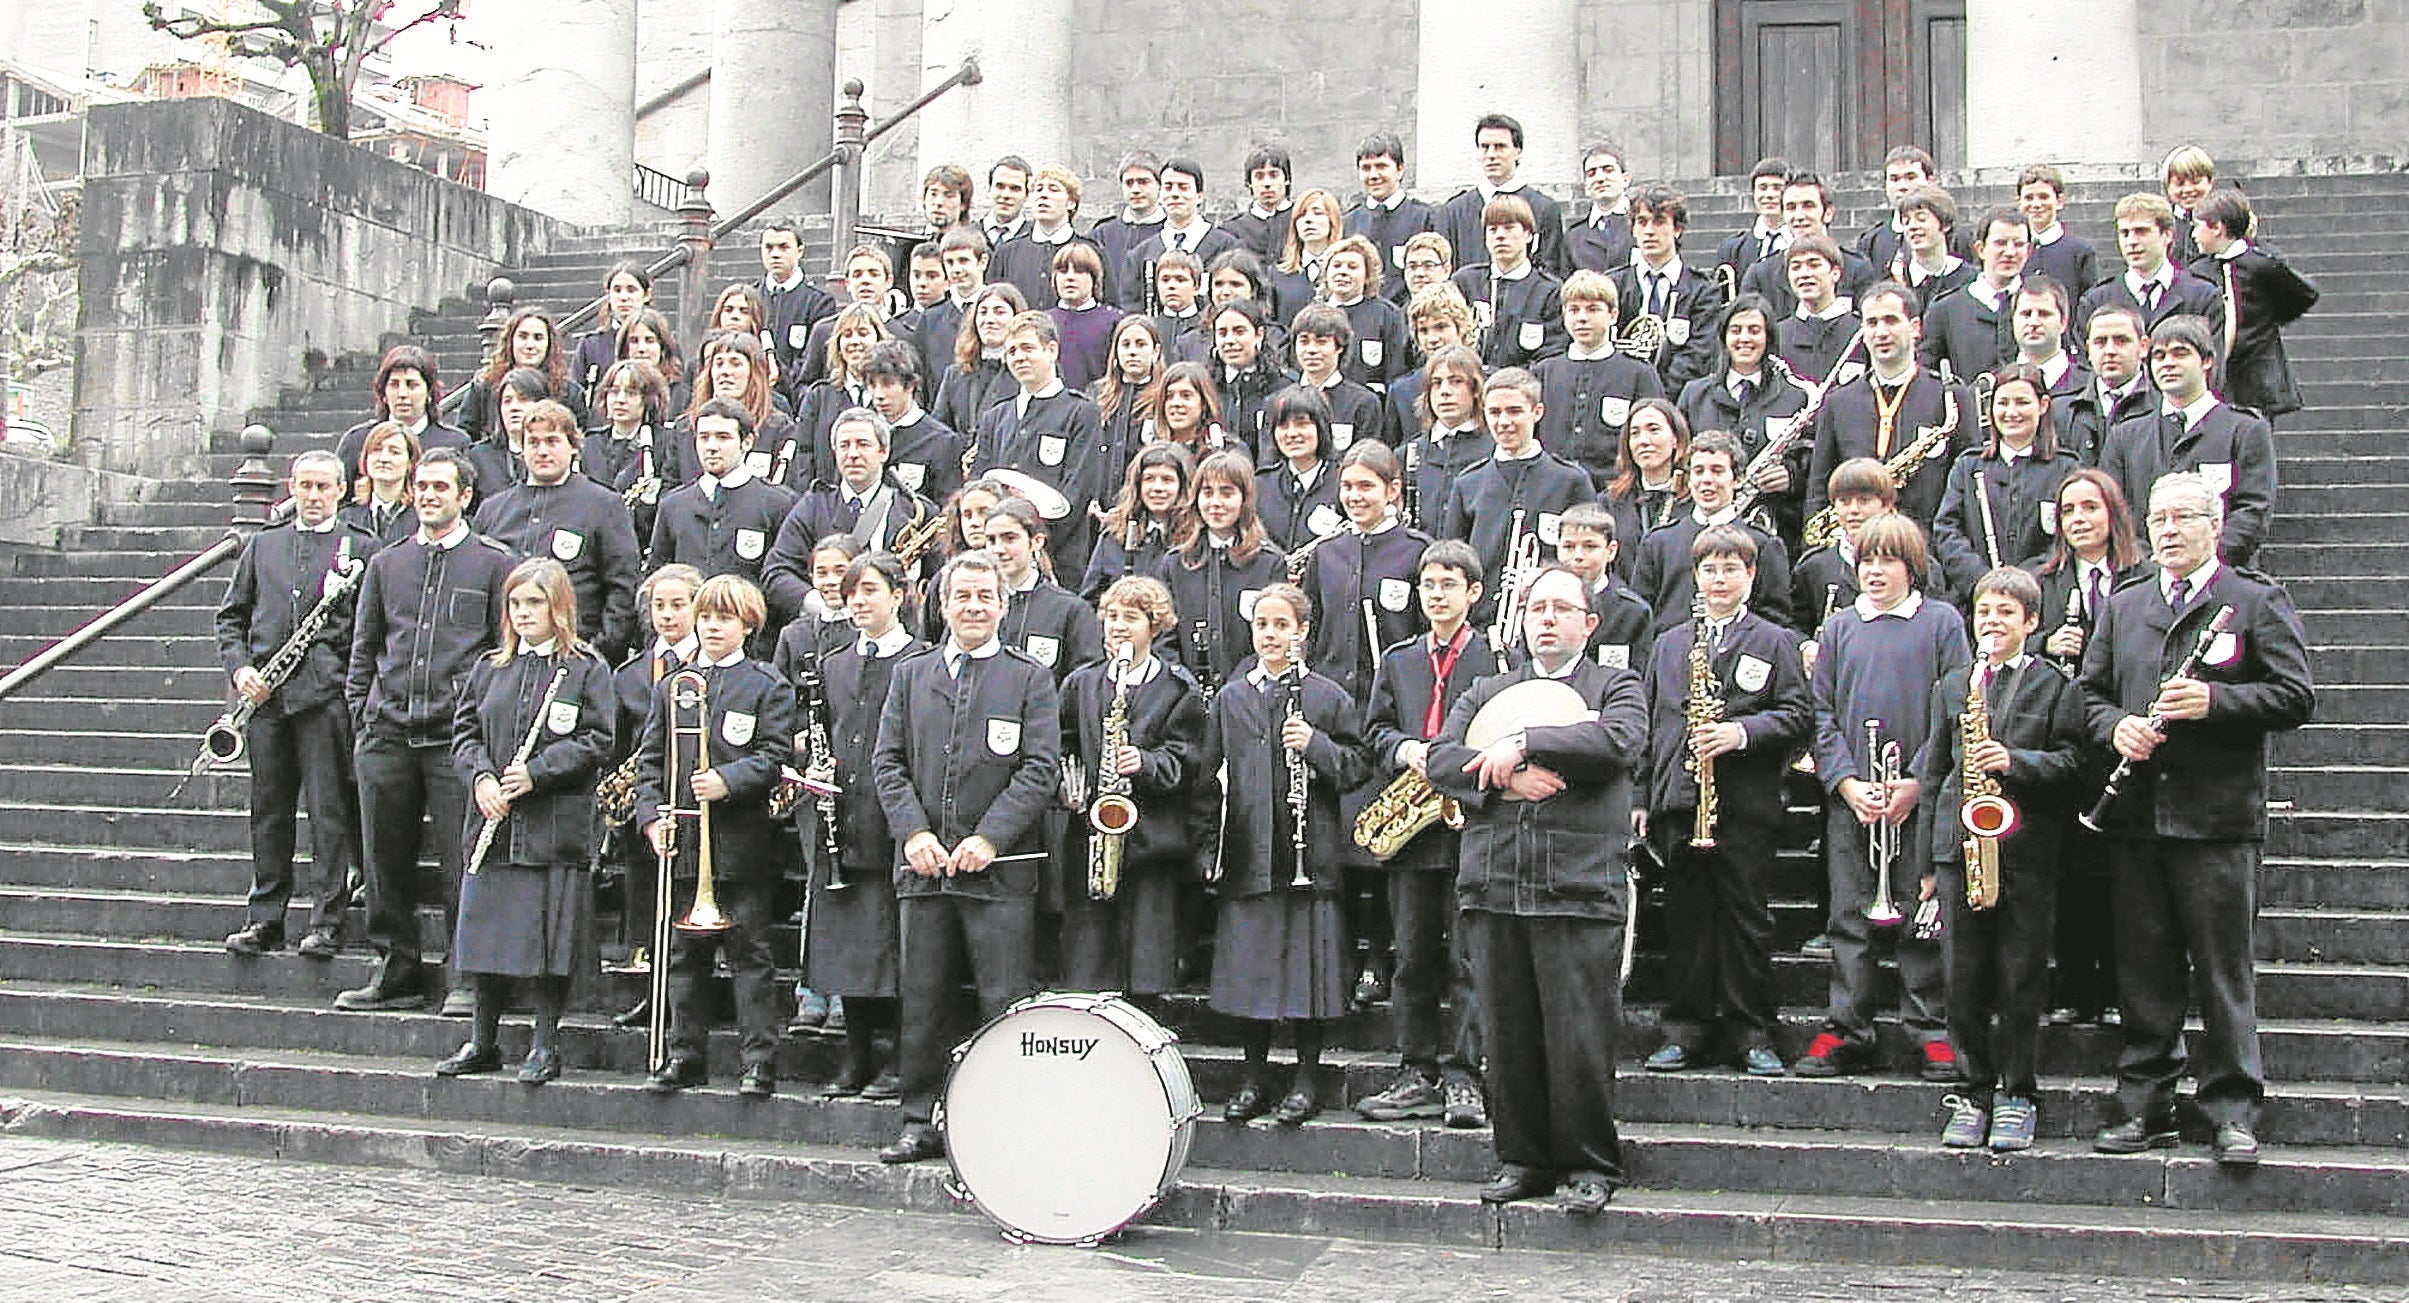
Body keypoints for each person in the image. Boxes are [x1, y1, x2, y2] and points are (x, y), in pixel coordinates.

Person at [2081, 471, 2314, 1167]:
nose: (2168, 529)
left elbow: (2294, 694)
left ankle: (2231, 1108)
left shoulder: (2250, 600)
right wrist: (2116, 726)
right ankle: (2143, 1103)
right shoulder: (2124, 606)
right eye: (2158, 517)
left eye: (2183, 516)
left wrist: (2214, 702)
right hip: (2138, 821)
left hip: (2215, 821)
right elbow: (2085, 695)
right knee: (2144, 971)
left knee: (2221, 971)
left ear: (2213, 524)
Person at [1426, 564, 1647, 1215]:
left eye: (1560, 607)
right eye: (1534, 608)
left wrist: (1521, 742)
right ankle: (1521, 1157)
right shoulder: (1487, 687)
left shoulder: (1616, 684)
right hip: (1494, 885)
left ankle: (1589, 1163)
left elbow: (1618, 739)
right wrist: (1506, 779)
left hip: (1577, 886)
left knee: (1578, 1035)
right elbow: (1443, 758)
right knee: (1508, 1031)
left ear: (1589, 622)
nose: (1545, 618)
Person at [872, 550, 1062, 1163]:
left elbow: (1040, 769)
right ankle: (919, 1118)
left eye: (986, 597)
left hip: (998, 878)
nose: (974, 607)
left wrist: (990, 837)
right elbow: (888, 762)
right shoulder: (911, 674)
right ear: (943, 604)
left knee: (1001, 1003)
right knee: (923, 1000)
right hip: (923, 873)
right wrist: (913, 833)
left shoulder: (1030, 678)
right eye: (963, 597)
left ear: (1003, 606)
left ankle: (1003, 1125)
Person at [338, 448, 517, 1014]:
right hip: (387, 730)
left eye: (442, 487)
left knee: (459, 858)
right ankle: (396, 967)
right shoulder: (387, 564)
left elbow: (502, 651)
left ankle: (466, 973)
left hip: (454, 738)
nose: (429, 495)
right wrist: (362, 712)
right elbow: (364, 647)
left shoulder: (494, 563)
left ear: (466, 496)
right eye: (422, 486)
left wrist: (482, 724)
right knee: (382, 860)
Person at [1795, 512, 1970, 1079]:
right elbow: (1820, 713)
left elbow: (1954, 711)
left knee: (1923, 914)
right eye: (1866, 560)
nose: (1875, 570)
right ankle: (1848, 1026)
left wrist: (1918, 781)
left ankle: (1930, 1027)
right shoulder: (1841, 628)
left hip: (1918, 797)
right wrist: (1845, 781)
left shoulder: (1941, 622)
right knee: (1850, 914)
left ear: (1912, 567)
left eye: (1888, 560)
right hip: (1854, 797)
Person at [1919, 565, 2088, 1150]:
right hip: (1957, 849)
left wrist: (2012, 761)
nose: (1992, 622)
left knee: (2019, 976)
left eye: (2006, 613)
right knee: (1961, 977)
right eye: (1984, 612)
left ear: (2032, 622)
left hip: (2026, 854)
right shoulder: (1953, 684)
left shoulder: (2057, 687)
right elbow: (1934, 771)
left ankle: (2017, 1092)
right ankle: (1972, 1091)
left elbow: (2072, 764)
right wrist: (1925, 864)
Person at [1639, 524, 1811, 1078]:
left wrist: (1740, 733)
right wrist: (1643, 794)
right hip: (1680, 800)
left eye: (1730, 569)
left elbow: (1798, 715)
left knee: (1746, 920)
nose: (1719, 579)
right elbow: (1646, 721)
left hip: (1744, 803)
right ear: (1696, 576)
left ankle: (1751, 1031)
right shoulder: (1669, 643)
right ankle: (1684, 1031)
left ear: (1751, 576)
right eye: (1710, 569)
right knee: (1685, 920)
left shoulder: (1774, 640)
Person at [435, 559, 613, 1085]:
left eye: (534, 603)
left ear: (558, 607)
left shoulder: (584, 669)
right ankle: (481, 1040)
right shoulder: (489, 668)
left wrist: (537, 773)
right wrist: (483, 780)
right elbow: (465, 734)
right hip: (493, 824)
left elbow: (598, 739)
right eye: (515, 604)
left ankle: (544, 1044)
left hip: (552, 828)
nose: (523, 613)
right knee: (486, 937)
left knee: (545, 943)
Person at [1199, 582, 1368, 1126]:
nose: (1270, 635)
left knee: (1305, 978)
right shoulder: (1231, 697)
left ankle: (1305, 1076)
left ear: (1302, 632)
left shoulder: (1325, 696)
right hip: (1249, 853)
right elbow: (1208, 777)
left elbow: (1357, 767)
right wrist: (1209, 851)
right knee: (1251, 975)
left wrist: (1314, 745)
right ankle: (1252, 1077)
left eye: (1281, 626)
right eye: (1262, 626)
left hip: (1309, 859)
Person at [1353, 540, 1498, 1128]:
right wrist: (1405, 748)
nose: (1436, 596)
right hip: (1412, 831)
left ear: (1473, 593)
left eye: (1448, 585)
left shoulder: (1494, 658)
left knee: (1467, 958)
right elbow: (1375, 730)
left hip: (1471, 826)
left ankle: (1465, 1074)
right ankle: (1415, 1069)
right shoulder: (1399, 659)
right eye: (1428, 586)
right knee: (1411, 956)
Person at [634, 574, 796, 1098]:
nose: (711, 627)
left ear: (748, 625)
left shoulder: (766, 684)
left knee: (750, 956)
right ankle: (685, 1054)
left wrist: (728, 779)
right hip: (683, 843)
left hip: (742, 845)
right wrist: (650, 817)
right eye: (705, 617)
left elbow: (774, 756)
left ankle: (758, 1062)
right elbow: (650, 763)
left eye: (723, 619)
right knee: (685, 956)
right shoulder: (673, 686)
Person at [217, 451, 379, 959]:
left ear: (341, 491)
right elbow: (231, 618)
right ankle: (265, 918)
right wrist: (241, 669)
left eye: (323, 487)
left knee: (327, 813)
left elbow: (370, 630)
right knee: (268, 811)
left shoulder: (363, 548)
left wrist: (342, 681)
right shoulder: (264, 546)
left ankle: (327, 922)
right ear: (291, 487)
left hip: (324, 698)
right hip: (266, 698)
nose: (312, 496)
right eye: (305, 486)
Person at [784, 551, 924, 1099]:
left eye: (871, 591)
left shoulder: (919, 661)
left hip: (889, 822)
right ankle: (856, 1056)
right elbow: (820, 729)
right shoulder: (834, 662)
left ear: (898, 595)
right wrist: (811, 760)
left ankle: (895, 1059)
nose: (860, 602)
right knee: (845, 947)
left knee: (890, 950)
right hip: (837, 819)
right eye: (852, 592)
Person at [2026, 469, 2145, 1028]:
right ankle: (2073, 989)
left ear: (2113, 515)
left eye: (2090, 508)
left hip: (2117, 740)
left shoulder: (2140, 581)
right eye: (2069, 510)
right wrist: (2046, 640)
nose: (2078, 520)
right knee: (2068, 872)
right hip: (2060, 740)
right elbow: (2010, 641)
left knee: (2119, 877)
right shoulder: (2041, 580)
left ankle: (2122, 990)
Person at [1057, 575, 1209, 998]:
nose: (1118, 627)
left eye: (1131, 618)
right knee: (1088, 963)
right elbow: (1063, 744)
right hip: (1090, 841)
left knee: (1146, 962)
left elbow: (1189, 759)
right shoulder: (1081, 683)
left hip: (1152, 842)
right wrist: (1068, 784)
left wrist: (1145, 762)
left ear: (1155, 626)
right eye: (1111, 617)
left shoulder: (1178, 690)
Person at [2096, 315, 2276, 568]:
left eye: (2180, 353)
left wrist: (2203, 560)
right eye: (2159, 356)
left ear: (2207, 361)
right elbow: (2115, 511)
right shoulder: (2125, 435)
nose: (2168, 363)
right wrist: (2150, 564)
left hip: (2223, 577)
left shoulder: (2245, 429)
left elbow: (2253, 510)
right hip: (2145, 581)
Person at [603, 564, 701, 1028]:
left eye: (678, 605)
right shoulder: (629, 673)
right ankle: (655, 992)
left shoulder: (708, 665)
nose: (667, 615)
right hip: (648, 798)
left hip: (698, 797)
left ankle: (691, 998)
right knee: (648, 902)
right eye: (658, 606)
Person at [1802, 282, 1980, 536]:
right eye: (1872, 323)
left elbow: (1968, 486)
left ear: (1915, 328)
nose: (1881, 332)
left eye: (1891, 321)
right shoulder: (1838, 403)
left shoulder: (1951, 397)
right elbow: (1818, 490)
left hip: (1929, 547)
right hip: (1854, 549)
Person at [472, 401, 642, 662]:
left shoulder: (604, 505)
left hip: (575, 656)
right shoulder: (493, 510)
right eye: (533, 442)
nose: (542, 451)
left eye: (552, 441)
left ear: (573, 446)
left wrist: (598, 650)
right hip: (504, 659)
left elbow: (622, 587)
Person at [1440, 368, 1595, 632]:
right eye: (1494, 413)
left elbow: (1589, 555)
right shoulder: (1468, 483)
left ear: (1537, 412)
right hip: (1481, 623)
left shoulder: (1571, 481)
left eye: (1514, 411)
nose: (1503, 422)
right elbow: (1454, 561)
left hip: (1550, 622)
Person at [973, 310, 1111, 576]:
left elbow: (1079, 491)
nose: (1019, 357)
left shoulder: (1081, 412)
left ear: (1051, 350)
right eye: (1011, 351)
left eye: (1027, 348)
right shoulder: (995, 416)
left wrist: (1034, 543)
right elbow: (981, 482)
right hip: (1000, 558)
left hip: (1060, 557)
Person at [1929, 363, 2081, 601]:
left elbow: (2066, 538)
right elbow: (1947, 530)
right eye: (2003, 403)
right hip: (1977, 601)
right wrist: (1981, 580)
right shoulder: (1968, 467)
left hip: (2045, 598)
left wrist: (2026, 582)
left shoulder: (2066, 468)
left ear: (2043, 406)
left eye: (2022, 402)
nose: (2011, 412)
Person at [1150, 450, 1288, 702]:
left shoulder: (1270, 563)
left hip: (1249, 697)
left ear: (1245, 499)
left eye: (1227, 493)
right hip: (1185, 698)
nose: (1215, 502)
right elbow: (1162, 635)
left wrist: (1234, 689)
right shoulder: (1175, 563)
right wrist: (1184, 681)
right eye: (1207, 492)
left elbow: (1274, 636)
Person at [1629, 431, 1794, 632]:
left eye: (1717, 471)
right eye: (1698, 471)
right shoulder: (1658, 542)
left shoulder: (1764, 544)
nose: (1707, 480)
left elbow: (1775, 620)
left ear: (1738, 480)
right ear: (1689, 480)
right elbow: (1641, 615)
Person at [1676, 294, 1808, 540]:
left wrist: (1792, 476)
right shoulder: (1694, 395)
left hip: (1774, 527)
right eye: (1736, 330)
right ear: (1724, 337)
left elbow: (1810, 459)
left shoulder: (1795, 397)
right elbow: (1680, 458)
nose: (1744, 338)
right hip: (1704, 527)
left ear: (1768, 337)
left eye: (1754, 330)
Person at [648, 400, 801, 612]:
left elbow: (784, 579)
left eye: (723, 437)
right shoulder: (673, 505)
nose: (711, 446)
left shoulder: (778, 503)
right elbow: (658, 575)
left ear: (747, 442)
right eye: (704, 437)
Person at [2187, 188, 2320, 424]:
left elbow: (2304, 293)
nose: (2193, 234)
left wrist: (2270, 321)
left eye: (2198, 226)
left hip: (2257, 375)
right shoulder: (2198, 272)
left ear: (2217, 228)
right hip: (2217, 373)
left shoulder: (2262, 265)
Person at [1536, 270, 1666, 490]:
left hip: (1615, 491)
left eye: (1593, 309)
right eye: (1574, 310)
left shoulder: (1638, 374)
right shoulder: (1544, 372)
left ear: (1613, 315)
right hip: (1552, 490)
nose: (1582, 318)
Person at [1435, 113, 1568, 278]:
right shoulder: (1452, 212)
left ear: (1517, 151)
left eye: (1500, 146)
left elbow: (1550, 271)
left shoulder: (1544, 209)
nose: (1491, 154)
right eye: (1485, 147)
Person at [2077, 194, 2222, 337]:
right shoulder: (2096, 301)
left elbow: (2213, 357)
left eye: (2141, 231)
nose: (2131, 241)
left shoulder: (2203, 297)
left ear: (2167, 235)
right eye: (2125, 233)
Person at [1742, 174, 1881, 322]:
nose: (1799, 215)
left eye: (1808, 206)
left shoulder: (1857, 268)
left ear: (1828, 213)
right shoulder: (1760, 274)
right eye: (1791, 207)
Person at [1452, 195, 1566, 373]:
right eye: (1493, 229)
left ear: (1528, 235)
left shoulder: (1549, 291)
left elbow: (1551, 355)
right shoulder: (1465, 283)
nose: (1500, 236)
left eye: (1509, 228)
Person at [1919, 206, 2031, 384]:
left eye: (2018, 244)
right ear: (1980, 249)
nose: (2010, 252)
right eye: (2000, 243)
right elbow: (1926, 378)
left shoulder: (2042, 305)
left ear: (2028, 251)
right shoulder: (1945, 310)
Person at [336, 345, 467, 496]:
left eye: (412, 385)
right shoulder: (357, 440)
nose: (402, 394)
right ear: (383, 393)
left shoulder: (455, 443)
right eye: (394, 385)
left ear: (429, 392)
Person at [1119, 157, 1239, 310]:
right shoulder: (1140, 255)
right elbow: (1131, 309)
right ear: (1160, 194)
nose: (1174, 194)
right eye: (1168, 187)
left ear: (1199, 196)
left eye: (1183, 187)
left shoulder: (1227, 247)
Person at [1084, 442, 1197, 602]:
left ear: (1183, 485)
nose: (1157, 488)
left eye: (1167, 480)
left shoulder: (1195, 540)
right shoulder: (1114, 535)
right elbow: (1090, 598)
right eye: (1149, 479)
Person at [457, 309, 585, 448]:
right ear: (510, 341)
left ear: (549, 344)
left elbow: (581, 438)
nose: (530, 345)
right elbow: (465, 434)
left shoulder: (569, 392)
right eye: (523, 336)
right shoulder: (484, 386)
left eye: (538, 338)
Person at [860, 340, 965, 505]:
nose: (878, 394)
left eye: (888, 384)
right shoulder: (860, 433)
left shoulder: (941, 441)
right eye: (872, 385)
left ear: (910, 385)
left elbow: (947, 507)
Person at [1552, 502, 1654, 670]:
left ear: (1611, 550)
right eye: (1569, 547)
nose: (1578, 556)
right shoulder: (1541, 605)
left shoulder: (1632, 612)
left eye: (1590, 547)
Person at [1345, 131, 1442, 307]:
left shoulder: (1425, 218)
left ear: (1400, 169)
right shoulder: (1349, 223)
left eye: (1381, 166)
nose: (1373, 175)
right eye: (1366, 168)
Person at [988, 164, 1100, 311]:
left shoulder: (1090, 251)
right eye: (1038, 189)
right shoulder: (1007, 252)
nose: (1043, 195)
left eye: (1053, 189)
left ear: (1071, 202)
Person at [2058, 303, 2157, 466]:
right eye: (2100, 342)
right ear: (2088, 349)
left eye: (2121, 341)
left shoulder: (2162, 407)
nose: (2110, 350)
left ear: (2143, 346)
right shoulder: (2062, 413)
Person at [1601, 398, 1690, 576]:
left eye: (1653, 430)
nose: (1643, 441)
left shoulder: (1695, 501)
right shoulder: (1610, 502)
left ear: (1675, 438)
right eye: (1634, 433)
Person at [1289, 303, 1391, 450]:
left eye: (1321, 342)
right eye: (1304, 341)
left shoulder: (1363, 403)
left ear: (1340, 347)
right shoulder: (1279, 401)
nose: (1311, 350)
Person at [1769, 234, 1864, 385]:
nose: (1804, 274)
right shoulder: (1776, 336)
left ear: (1835, 273)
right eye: (1796, 267)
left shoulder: (1861, 332)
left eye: (1814, 265)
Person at [760, 220, 839, 390]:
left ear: (799, 251)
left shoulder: (819, 301)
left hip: (799, 392)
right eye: (769, 247)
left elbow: (815, 357)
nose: (775, 254)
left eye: (783, 247)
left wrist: (783, 379)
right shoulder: (750, 297)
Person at [1046, 242, 1125, 391]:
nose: (1070, 277)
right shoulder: (1044, 322)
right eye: (1063, 271)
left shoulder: (1114, 321)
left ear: (1094, 278)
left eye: (1079, 271)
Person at [1090, 151, 1166, 302]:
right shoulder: (1102, 235)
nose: (1136, 189)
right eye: (1129, 183)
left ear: (1160, 185)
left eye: (1143, 182)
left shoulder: (1171, 233)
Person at [1888, 185, 1976, 314]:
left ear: (1945, 225)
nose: (1912, 226)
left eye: (1921, 219)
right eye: (1906, 221)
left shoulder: (1971, 280)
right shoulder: (1895, 281)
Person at [2017, 164, 2100, 296]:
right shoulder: (2012, 250)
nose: (2036, 204)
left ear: (2059, 201)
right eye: (2028, 198)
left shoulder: (2080, 251)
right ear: (2019, 202)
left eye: (2044, 197)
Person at [573, 262, 654, 392]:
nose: (623, 297)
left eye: (631, 290)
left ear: (646, 295)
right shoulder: (590, 345)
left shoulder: (661, 342)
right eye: (617, 290)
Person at [340, 421, 421, 545]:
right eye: (376, 450)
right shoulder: (346, 517)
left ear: (410, 462)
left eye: (394, 452)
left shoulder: (421, 516)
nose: (383, 459)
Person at [1715, 156, 1792, 287]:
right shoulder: (1731, 248)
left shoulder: (1803, 245)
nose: (1769, 194)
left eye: (1777, 188)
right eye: (1762, 187)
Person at [1568, 142, 1636, 274]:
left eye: (1608, 170)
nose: (1599, 178)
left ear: (1625, 179)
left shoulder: (1644, 225)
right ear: (1586, 187)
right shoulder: (1573, 237)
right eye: (1592, 173)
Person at [1227, 143, 1297, 263]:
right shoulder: (1233, 230)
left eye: (1274, 175)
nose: (1267, 183)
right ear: (1249, 183)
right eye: (1259, 176)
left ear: (1286, 179)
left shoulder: (1303, 219)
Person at [2162, 145, 2217, 268]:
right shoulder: (2162, 225)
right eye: (2179, 183)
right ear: (2168, 187)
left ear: (2210, 182)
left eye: (2195, 181)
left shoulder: (2223, 223)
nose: (2187, 189)